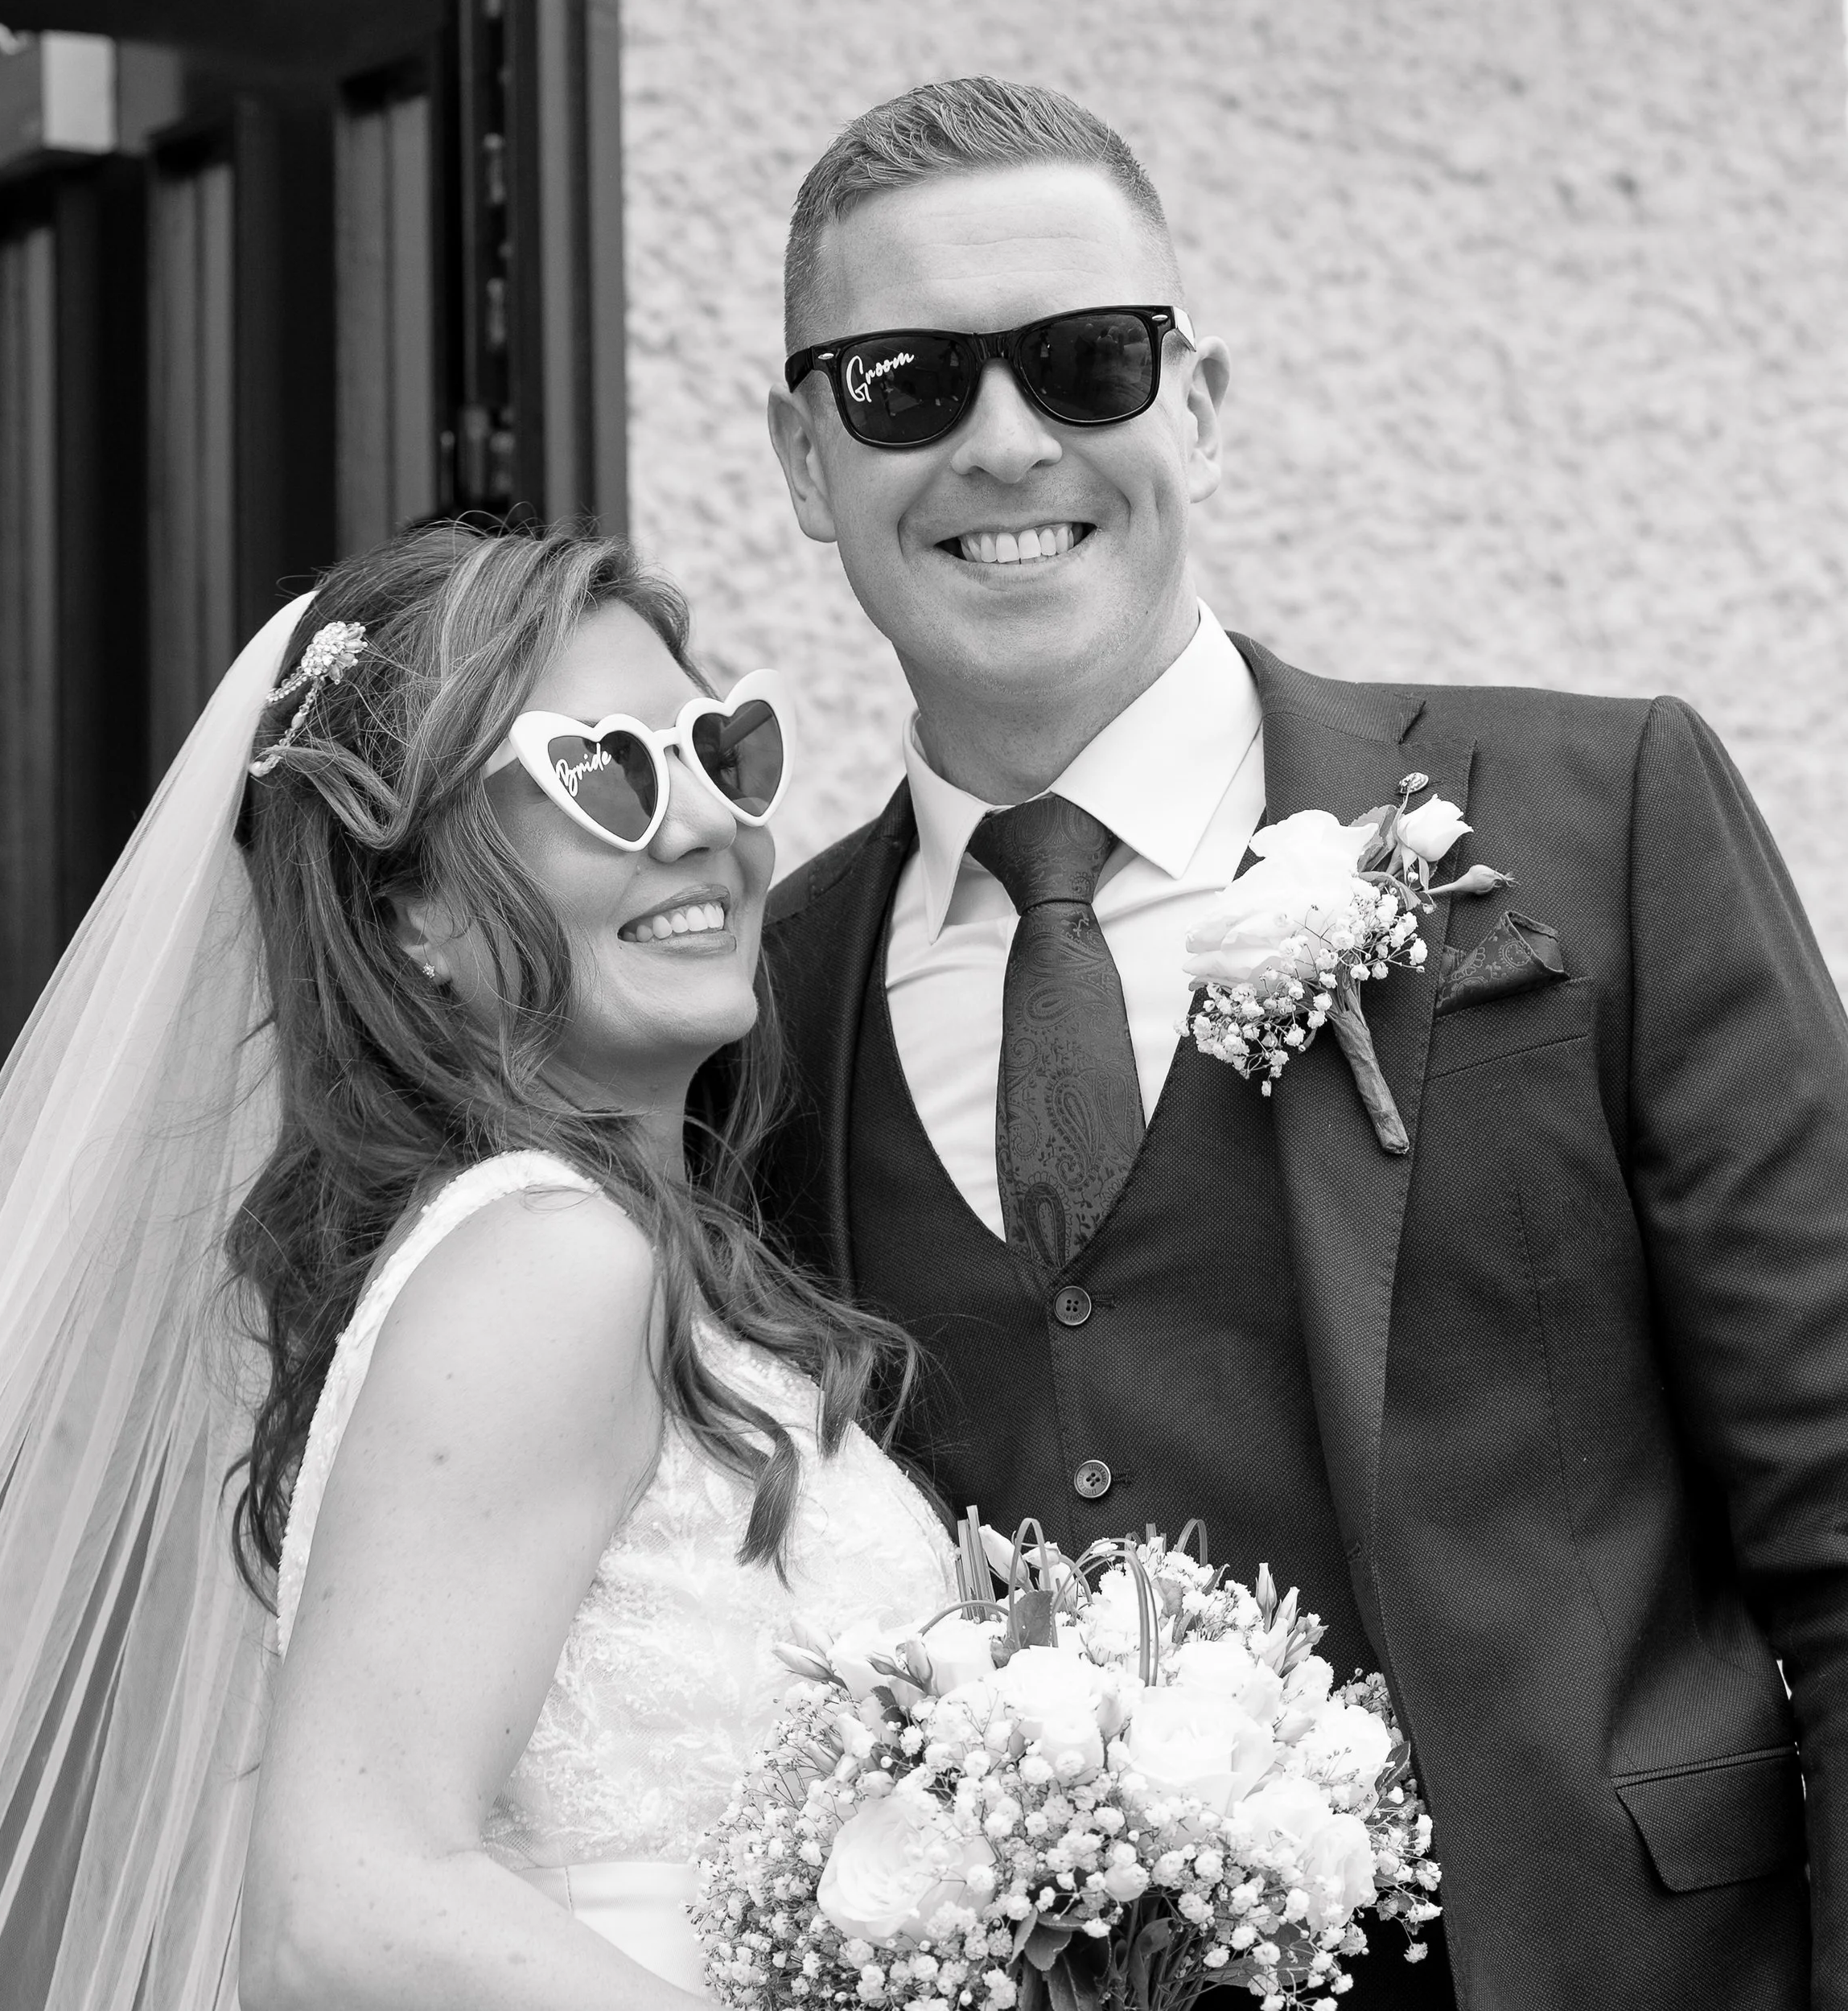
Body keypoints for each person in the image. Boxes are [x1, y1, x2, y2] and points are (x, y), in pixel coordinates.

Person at [754, 76, 1846, 2009]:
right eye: (906, 380)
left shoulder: (1598, 818)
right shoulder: (759, 1000)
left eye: (1086, 362)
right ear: (798, 450)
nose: (1005, 445)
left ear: (1197, 401)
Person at [0, 522, 952, 2009]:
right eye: (601, 775)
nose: (698, 824)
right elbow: (345, 1912)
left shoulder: (600, 1257)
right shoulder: (549, 1263)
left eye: (718, 748)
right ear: (409, 910)